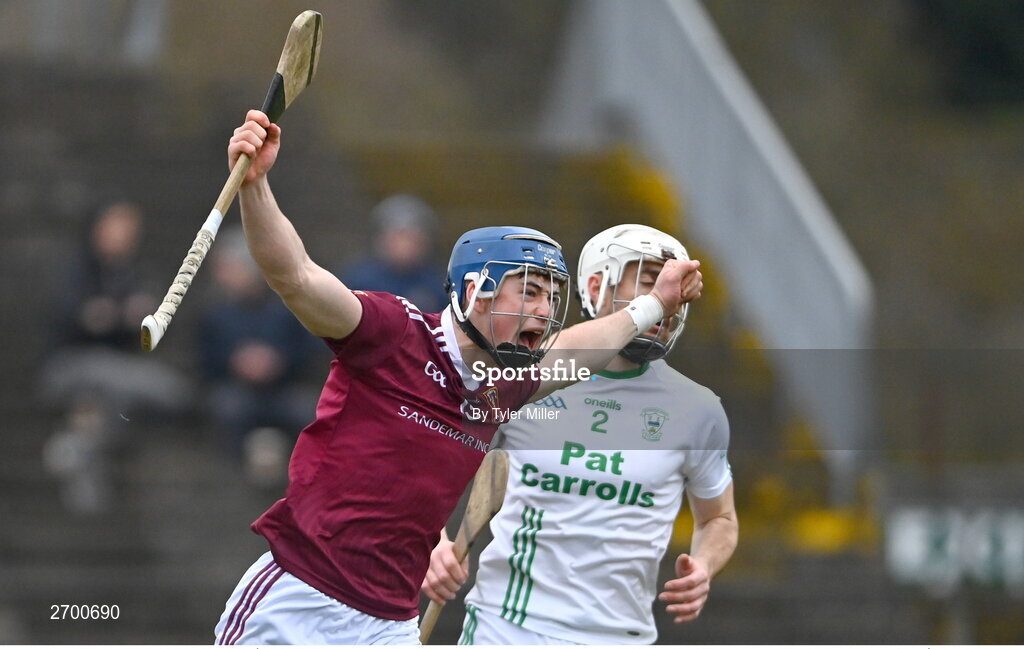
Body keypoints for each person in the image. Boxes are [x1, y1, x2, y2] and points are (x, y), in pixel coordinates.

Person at [211, 111, 703, 645]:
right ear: (474, 292)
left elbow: (585, 348)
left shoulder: (507, 385)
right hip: (300, 598)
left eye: (552, 298)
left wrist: (656, 302)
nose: (544, 311)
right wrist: (255, 185)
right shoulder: (393, 333)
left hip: (390, 624)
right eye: (530, 292)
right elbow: (296, 276)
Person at [422, 224, 737, 645]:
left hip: (622, 636)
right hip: (509, 627)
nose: (671, 303)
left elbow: (719, 517)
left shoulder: (698, 410)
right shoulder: (519, 379)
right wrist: (433, 543)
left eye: (678, 290)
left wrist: (704, 566)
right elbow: (422, 464)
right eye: (651, 281)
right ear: (595, 285)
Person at [39, 200, 192, 514]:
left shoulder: (136, 271)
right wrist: (95, 317)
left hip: (119, 373)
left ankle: (80, 444)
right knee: (119, 382)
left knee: (139, 392)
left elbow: (148, 324)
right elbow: (68, 320)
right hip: (72, 365)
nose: (123, 235)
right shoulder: (74, 270)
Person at [197, 227, 318, 484]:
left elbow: (307, 351)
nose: (223, 275)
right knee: (228, 409)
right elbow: (203, 361)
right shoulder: (213, 311)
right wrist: (234, 362)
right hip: (235, 390)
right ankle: (232, 478)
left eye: (231, 267)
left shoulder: (287, 305)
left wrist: (278, 361)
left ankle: (302, 478)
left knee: (309, 412)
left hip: (282, 390)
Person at [336, 193, 447, 313]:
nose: (405, 244)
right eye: (398, 236)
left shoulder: (437, 284)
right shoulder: (358, 280)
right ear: (381, 238)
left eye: (412, 237)